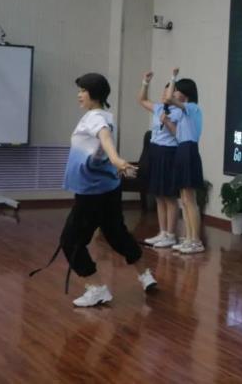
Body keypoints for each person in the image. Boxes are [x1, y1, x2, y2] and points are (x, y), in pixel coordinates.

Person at [59, 73, 156, 307]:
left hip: (92, 192)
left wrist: (116, 159)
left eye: (83, 90)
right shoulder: (104, 115)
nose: (79, 95)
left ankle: (97, 289)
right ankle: (145, 275)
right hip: (108, 187)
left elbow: (105, 137)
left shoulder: (95, 118)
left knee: (70, 241)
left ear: (94, 94)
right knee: (116, 234)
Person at [162, 68, 205, 254]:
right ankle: (188, 237)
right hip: (181, 149)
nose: (174, 93)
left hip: (189, 151)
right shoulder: (182, 113)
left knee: (190, 199)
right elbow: (177, 133)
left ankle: (196, 240)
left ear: (185, 93)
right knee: (184, 200)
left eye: (177, 90)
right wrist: (167, 122)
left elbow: (168, 98)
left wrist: (173, 77)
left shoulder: (192, 107)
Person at [139, 71, 180, 248]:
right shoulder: (158, 108)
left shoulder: (179, 112)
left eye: (170, 92)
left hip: (169, 153)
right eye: (164, 92)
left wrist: (168, 122)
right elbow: (142, 100)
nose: (166, 95)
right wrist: (145, 82)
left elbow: (180, 135)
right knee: (158, 195)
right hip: (155, 151)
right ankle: (162, 232)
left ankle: (171, 234)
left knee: (169, 196)